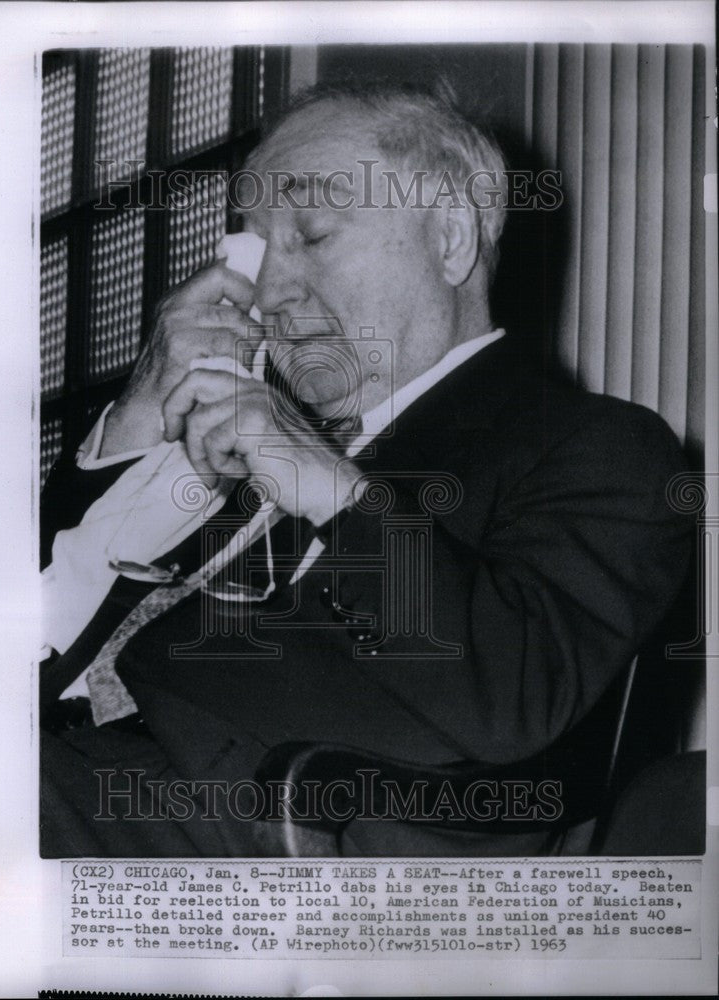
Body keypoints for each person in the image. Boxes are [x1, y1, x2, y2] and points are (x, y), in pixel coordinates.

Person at [40, 81, 693, 857]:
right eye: (258, 249)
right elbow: (30, 605)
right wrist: (143, 409)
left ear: (450, 238)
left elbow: (515, 696)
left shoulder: (595, 447)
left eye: (311, 235)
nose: (269, 296)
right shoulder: (253, 443)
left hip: (267, 831)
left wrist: (332, 488)